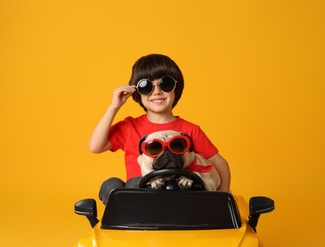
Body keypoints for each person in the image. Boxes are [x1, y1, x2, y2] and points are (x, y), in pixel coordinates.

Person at [88, 54, 231, 204]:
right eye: (146, 86)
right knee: (114, 185)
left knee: (134, 184)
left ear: (176, 89)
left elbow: (219, 163)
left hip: (179, 200)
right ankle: (127, 216)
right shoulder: (129, 127)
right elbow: (95, 146)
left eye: (165, 84)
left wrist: (223, 197)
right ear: (137, 91)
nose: (156, 91)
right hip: (138, 201)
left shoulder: (190, 129)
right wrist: (114, 107)